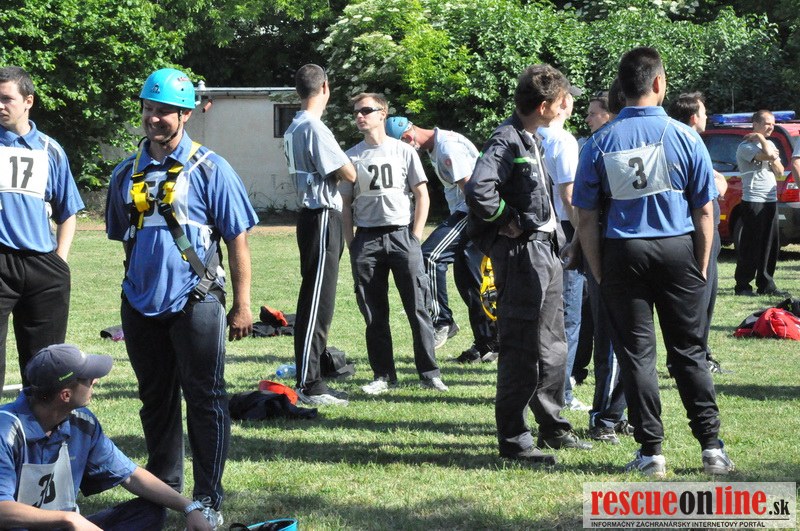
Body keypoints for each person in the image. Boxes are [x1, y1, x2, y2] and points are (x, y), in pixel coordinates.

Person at [573, 47, 734, 477]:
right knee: (689, 352)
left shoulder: (599, 141)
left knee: (637, 355)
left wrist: (599, 269)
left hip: (622, 252)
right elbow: (705, 211)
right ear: (659, 83)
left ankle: (651, 453)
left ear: (621, 89)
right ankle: (712, 448)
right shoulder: (685, 137)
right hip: (677, 248)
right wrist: (702, 265)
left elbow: (585, 216)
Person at [106, 68, 258, 520]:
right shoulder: (124, 173)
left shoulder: (211, 167)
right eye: (148, 109)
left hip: (197, 299)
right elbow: (126, 238)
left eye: (164, 111)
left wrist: (243, 304)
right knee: (155, 401)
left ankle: (208, 498)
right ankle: (165, 493)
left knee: (205, 398)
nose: (153, 118)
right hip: (140, 304)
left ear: (185, 114)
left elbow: (237, 240)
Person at [466, 64, 592, 465]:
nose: (566, 106)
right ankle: (515, 440)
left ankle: (554, 428)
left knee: (553, 345)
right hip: (523, 257)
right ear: (543, 106)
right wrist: (506, 220)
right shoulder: (505, 140)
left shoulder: (532, 138)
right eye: (561, 101)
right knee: (521, 348)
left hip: (545, 252)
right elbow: (479, 189)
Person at [0, 344, 213, 530]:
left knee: (149, 511)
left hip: (64, 526)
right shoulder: (5, 430)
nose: (96, 380)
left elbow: (130, 476)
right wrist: (69, 518)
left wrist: (189, 507)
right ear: (65, 395)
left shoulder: (82, 422)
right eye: (88, 378)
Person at [340, 93, 448, 395]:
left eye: (366, 110)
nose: (359, 116)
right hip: (366, 240)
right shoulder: (351, 156)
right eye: (356, 112)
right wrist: (351, 242)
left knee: (418, 308)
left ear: (383, 114)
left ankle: (429, 373)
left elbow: (422, 194)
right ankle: (383, 375)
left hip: (402, 237)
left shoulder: (404, 151)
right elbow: (344, 204)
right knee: (374, 313)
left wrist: (415, 236)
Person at [384, 117, 498, 361]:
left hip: (472, 212)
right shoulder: (437, 146)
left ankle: (443, 321)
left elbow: (471, 189)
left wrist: (481, 223)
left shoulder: (448, 148)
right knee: (469, 281)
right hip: (466, 212)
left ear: (407, 137)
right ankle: (488, 344)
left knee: (430, 256)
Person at [0, 66, 84, 392]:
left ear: (28, 101)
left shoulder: (51, 150)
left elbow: (68, 211)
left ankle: (38, 424)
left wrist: (59, 260)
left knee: (45, 368)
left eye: (6, 99)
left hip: (42, 266)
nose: (0, 106)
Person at [283, 64, 356, 406]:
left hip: (310, 217)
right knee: (318, 302)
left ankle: (314, 372)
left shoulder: (294, 125)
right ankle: (309, 384)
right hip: (323, 215)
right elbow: (348, 172)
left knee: (314, 299)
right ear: (325, 87)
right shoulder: (314, 127)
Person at [668, 92, 730, 373]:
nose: (707, 117)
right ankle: (694, 358)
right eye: (704, 113)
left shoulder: (682, 142)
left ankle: (696, 354)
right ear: (694, 117)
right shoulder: (690, 142)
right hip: (698, 232)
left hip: (702, 231)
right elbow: (704, 189)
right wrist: (718, 184)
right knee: (699, 298)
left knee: (704, 298)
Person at [537, 88, 591, 412]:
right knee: (568, 317)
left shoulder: (532, 136)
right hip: (566, 229)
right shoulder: (563, 140)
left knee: (546, 314)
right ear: (564, 102)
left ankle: (543, 385)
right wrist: (581, 235)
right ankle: (563, 393)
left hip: (539, 231)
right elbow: (569, 194)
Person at [733, 110, 789, 297]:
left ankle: (766, 285)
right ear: (755, 124)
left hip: (770, 200)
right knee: (751, 244)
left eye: (773, 124)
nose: (771, 127)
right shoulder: (745, 146)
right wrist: (761, 139)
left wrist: (765, 143)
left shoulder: (770, 144)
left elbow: (779, 171)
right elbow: (768, 156)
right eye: (767, 124)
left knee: (770, 244)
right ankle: (743, 286)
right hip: (753, 200)